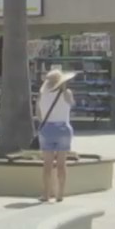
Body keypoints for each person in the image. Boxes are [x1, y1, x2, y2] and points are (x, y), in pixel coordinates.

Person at [36, 67, 74, 202]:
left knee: (47, 164)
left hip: (47, 129)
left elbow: (39, 115)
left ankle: (46, 195)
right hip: (63, 129)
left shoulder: (42, 95)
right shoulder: (67, 93)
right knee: (61, 164)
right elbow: (71, 104)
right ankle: (60, 194)